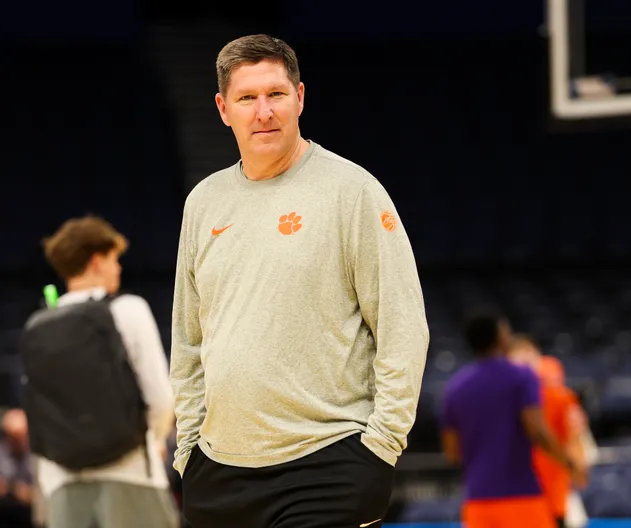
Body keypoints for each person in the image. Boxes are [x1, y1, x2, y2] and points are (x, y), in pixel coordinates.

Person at [170, 34, 429, 528]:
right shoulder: (203, 202)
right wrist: (189, 448)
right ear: (224, 109)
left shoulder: (352, 190)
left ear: (301, 98)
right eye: (247, 98)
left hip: (329, 464)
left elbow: (402, 325)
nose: (263, 111)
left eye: (276, 94)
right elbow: (188, 339)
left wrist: (381, 446)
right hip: (219, 471)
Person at [35, 216, 178, 528]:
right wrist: (153, 442)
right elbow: (161, 397)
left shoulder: (39, 325)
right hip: (132, 475)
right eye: (114, 260)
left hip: (62, 483)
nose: (119, 268)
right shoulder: (127, 309)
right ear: (97, 261)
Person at [441, 310, 586, 528]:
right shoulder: (522, 377)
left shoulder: (454, 389)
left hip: (477, 501)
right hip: (521, 496)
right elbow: (537, 431)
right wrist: (569, 463)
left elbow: (452, 454)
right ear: (501, 337)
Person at [509, 335, 591, 528]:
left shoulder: (561, 399)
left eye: (529, 363)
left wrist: (577, 455)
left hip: (551, 502)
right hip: (513, 502)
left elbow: (578, 457)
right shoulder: (500, 402)